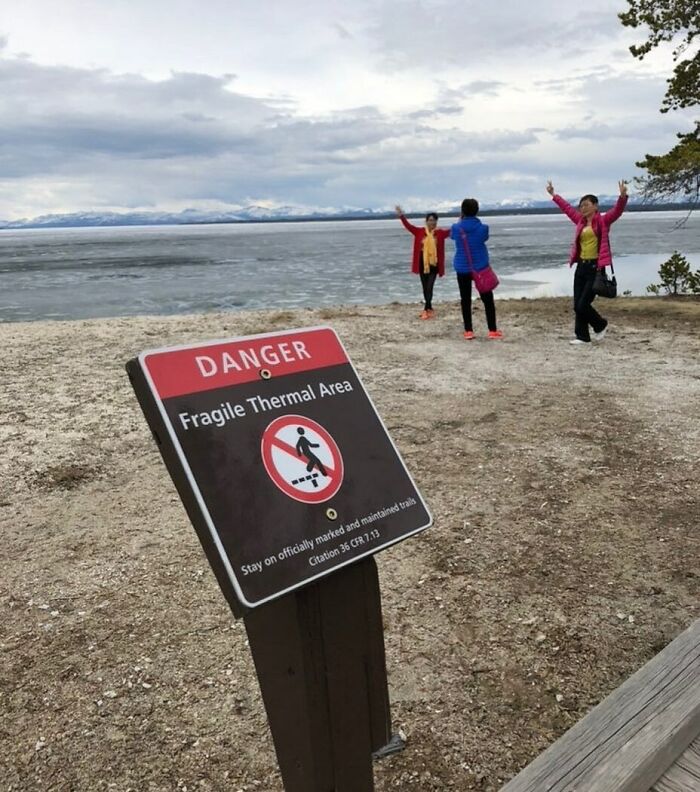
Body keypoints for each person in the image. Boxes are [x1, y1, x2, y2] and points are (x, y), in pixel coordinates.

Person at [546, 180, 628, 345]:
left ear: (595, 206)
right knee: (577, 304)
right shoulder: (580, 221)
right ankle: (582, 336)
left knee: (583, 304)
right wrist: (554, 195)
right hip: (581, 266)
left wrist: (623, 196)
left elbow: (617, 211)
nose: (582, 208)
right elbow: (567, 209)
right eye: (581, 206)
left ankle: (600, 324)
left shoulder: (603, 221)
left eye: (586, 205)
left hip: (595, 268)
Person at [450, 198, 502, 340]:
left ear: (462, 211)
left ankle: (468, 331)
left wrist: (460, 221)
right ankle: (492, 330)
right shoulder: (483, 228)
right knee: (487, 299)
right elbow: (483, 238)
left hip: (462, 267)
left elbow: (452, 236)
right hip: (480, 267)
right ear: (477, 210)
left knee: (465, 299)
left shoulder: (456, 227)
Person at [395, 205, 450, 319]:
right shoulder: (419, 231)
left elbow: (453, 230)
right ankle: (429, 308)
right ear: (426, 221)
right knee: (425, 287)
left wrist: (462, 220)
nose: (432, 222)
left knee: (430, 287)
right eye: (430, 220)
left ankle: (426, 309)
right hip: (422, 262)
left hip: (434, 264)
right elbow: (408, 226)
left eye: (434, 220)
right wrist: (401, 216)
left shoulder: (440, 233)